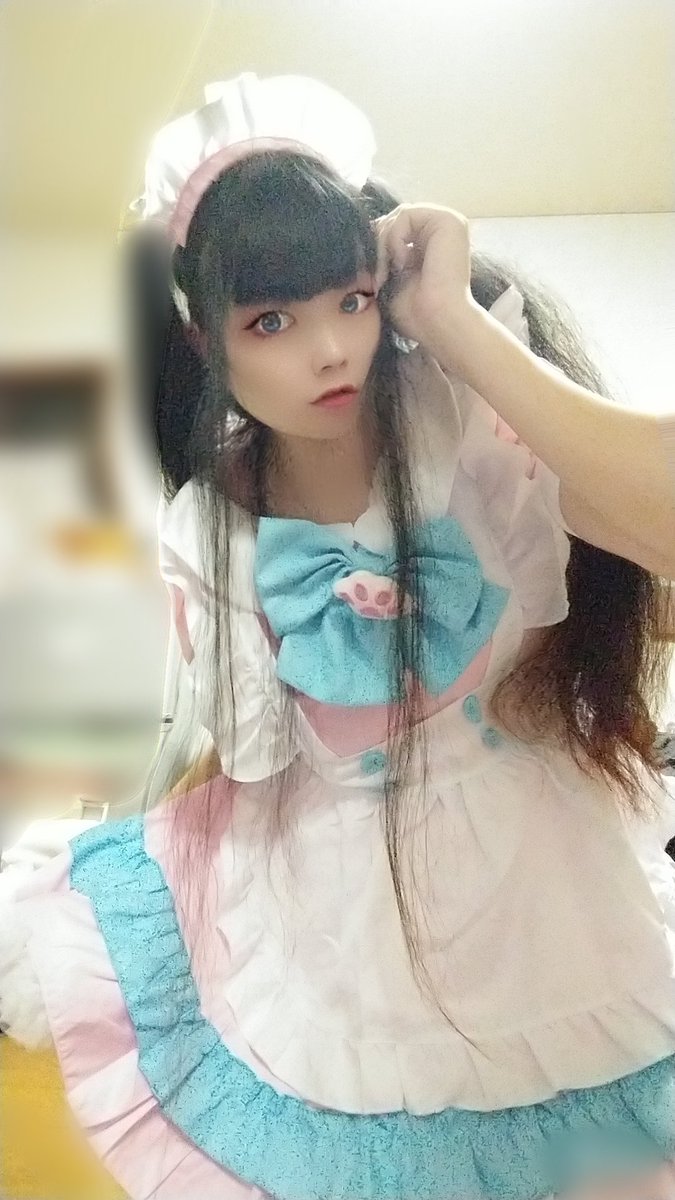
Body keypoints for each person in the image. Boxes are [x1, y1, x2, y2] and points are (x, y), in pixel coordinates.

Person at [1, 72, 675, 1200]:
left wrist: (455, 324)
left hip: (552, 894)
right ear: (203, 334)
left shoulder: (470, 422)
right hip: (348, 915)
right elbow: (258, 761)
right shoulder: (211, 527)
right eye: (271, 320)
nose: (327, 351)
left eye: (350, 300)